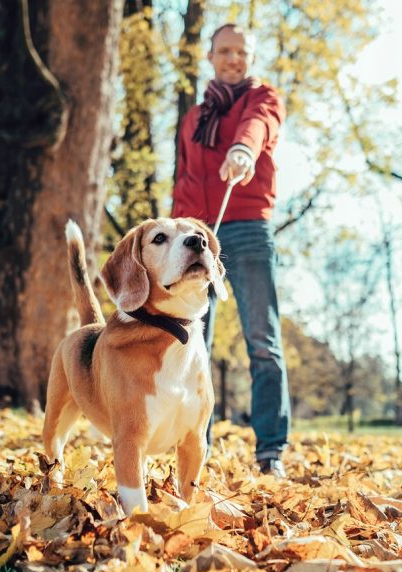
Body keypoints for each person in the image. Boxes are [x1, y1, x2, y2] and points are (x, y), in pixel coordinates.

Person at [172, 23, 290, 478]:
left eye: (242, 52)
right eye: (225, 51)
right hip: (196, 236)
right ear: (211, 57)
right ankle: (194, 445)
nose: (234, 59)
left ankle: (270, 452)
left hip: (246, 229)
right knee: (191, 341)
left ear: (250, 57)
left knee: (262, 341)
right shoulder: (193, 118)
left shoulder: (262, 98)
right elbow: (184, 178)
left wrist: (242, 150)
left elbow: (257, 127)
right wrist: (176, 231)